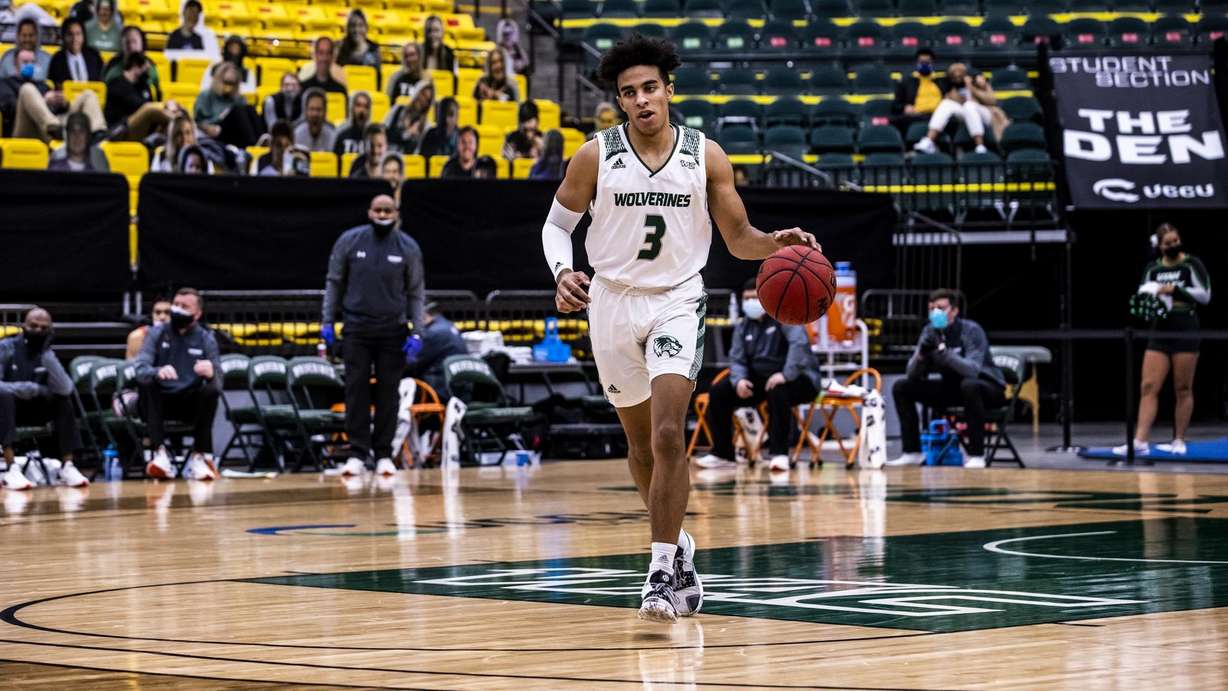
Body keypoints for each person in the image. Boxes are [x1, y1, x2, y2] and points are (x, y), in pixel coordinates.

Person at [542, 36, 818, 622]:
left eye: (649, 88)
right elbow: (555, 225)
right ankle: (681, 545)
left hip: (677, 299)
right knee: (640, 445)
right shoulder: (594, 156)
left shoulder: (706, 155)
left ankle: (661, 569)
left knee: (670, 434)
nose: (641, 101)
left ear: (669, 90)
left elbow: (739, 237)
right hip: (612, 302)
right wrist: (562, 270)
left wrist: (776, 243)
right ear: (618, 102)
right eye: (628, 93)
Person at [321, 194, 425, 478]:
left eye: (387, 209)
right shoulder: (350, 241)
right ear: (369, 212)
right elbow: (333, 283)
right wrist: (327, 321)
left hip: (392, 330)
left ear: (396, 212)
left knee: (388, 392)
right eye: (378, 209)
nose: (382, 213)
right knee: (355, 389)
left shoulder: (408, 247)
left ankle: (383, 455)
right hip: (356, 329)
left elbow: (416, 292)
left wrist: (418, 332)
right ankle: (357, 453)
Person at [694, 279, 820, 472]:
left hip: (798, 379)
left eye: (755, 298)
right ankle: (723, 453)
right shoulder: (743, 326)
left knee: (778, 391)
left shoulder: (785, 317)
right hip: (761, 379)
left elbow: (799, 346)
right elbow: (737, 359)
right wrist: (739, 380)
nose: (750, 302)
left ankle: (779, 454)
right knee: (719, 391)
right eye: (747, 299)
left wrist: (785, 375)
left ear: (766, 298)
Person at [1117, 224, 1212, 457]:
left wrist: (1174, 290)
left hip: (1185, 325)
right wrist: (1150, 299)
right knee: (1148, 386)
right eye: (1167, 243)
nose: (1173, 246)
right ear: (1159, 246)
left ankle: (1178, 439)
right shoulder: (1153, 268)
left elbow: (1205, 295)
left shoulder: (1191, 264)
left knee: (1183, 387)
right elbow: (1142, 295)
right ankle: (1140, 440)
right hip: (1160, 328)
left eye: (1175, 241)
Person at [887, 289, 1006, 469]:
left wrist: (944, 352)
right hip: (955, 388)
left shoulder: (971, 330)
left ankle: (976, 455)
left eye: (941, 308)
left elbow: (972, 370)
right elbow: (911, 373)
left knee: (969, 385)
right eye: (932, 308)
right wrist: (921, 356)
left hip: (988, 387)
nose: (936, 312)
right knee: (902, 387)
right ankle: (912, 452)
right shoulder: (929, 331)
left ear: (954, 311)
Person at [134, 287, 222, 481]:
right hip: (158, 403)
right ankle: (160, 454)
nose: (177, 310)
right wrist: (157, 371)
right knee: (148, 383)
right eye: (176, 305)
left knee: (211, 390)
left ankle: (199, 456)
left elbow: (219, 381)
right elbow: (139, 369)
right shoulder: (157, 333)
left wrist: (211, 373)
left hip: (188, 404)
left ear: (197, 314)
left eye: (184, 306)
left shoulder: (206, 338)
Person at [0, 307, 89, 491]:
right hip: (7, 410)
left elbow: (66, 388)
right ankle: (11, 467)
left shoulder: (47, 353)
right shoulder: (6, 347)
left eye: (43, 328)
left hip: (34, 410)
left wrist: (47, 354)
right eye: (34, 326)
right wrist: (30, 388)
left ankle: (68, 466)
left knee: (62, 400)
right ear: (24, 326)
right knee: (4, 397)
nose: (38, 331)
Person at [2, 48, 107, 142]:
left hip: (51, 128)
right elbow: (11, 108)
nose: (29, 65)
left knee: (88, 94)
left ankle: (97, 133)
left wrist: (63, 103)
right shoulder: (5, 83)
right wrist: (44, 101)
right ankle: (54, 127)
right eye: (25, 62)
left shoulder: (43, 85)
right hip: (25, 128)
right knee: (27, 89)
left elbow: (57, 111)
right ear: (15, 64)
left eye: (32, 62)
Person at [913, 62, 999, 155]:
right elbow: (954, 101)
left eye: (960, 75)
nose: (958, 78)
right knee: (946, 103)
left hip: (986, 114)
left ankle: (980, 146)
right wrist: (953, 96)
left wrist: (970, 87)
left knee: (969, 105)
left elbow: (992, 101)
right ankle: (928, 141)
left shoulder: (978, 82)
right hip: (966, 114)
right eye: (954, 76)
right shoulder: (952, 87)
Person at [105, 52, 179, 140]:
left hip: (141, 129)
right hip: (120, 130)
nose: (148, 74)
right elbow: (140, 106)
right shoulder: (117, 84)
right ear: (135, 66)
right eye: (146, 70)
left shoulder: (142, 86)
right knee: (149, 109)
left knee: (174, 108)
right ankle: (180, 121)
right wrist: (165, 105)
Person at [406, 302, 468, 399]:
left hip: (440, 390)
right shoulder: (449, 325)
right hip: (459, 389)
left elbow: (411, 364)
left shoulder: (432, 333)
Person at [193, 61, 261, 148]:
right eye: (226, 82)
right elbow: (199, 120)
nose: (229, 87)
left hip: (234, 132)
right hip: (217, 128)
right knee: (237, 110)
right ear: (218, 80)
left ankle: (261, 139)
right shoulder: (206, 95)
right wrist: (209, 128)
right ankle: (253, 144)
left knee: (250, 108)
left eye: (232, 83)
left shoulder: (238, 98)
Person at [102, 26, 163, 98]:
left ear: (142, 44)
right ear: (122, 45)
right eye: (127, 42)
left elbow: (158, 93)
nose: (131, 46)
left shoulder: (151, 68)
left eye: (135, 42)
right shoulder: (112, 67)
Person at [891, 47, 940, 132]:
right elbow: (896, 105)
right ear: (916, 63)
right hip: (916, 115)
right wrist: (904, 108)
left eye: (927, 62)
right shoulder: (906, 82)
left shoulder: (941, 81)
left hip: (938, 115)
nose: (924, 64)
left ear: (933, 63)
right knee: (896, 121)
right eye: (922, 62)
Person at [47, 17, 104, 88]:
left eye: (78, 34)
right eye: (70, 34)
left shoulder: (94, 56)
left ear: (83, 36)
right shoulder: (57, 59)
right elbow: (52, 84)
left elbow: (102, 82)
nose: (74, 39)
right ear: (64, 37)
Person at [386, 78, 433, 154]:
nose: (423, 100)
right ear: (416, 92)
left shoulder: (426, 126)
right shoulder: (397, 109)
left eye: (427, 100)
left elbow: (417, 152)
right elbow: (385, 132)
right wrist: (407, 134)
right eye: (422, 94)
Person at [294, 87, 336, 152]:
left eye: (318, 110)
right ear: (305, 111)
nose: (315, 114)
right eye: (312, 109)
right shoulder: (296, 134)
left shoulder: (332, 135)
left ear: (325, 112)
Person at [334, 90, 373, 156]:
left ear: (369, 111)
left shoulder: (373, 137)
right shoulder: (341, 133)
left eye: (365, 106)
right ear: (352, 108)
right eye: (358, 105)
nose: (362, 110)